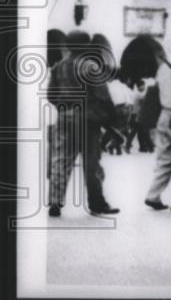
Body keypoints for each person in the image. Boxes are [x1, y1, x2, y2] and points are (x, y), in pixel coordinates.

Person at [47, 30, 118, 217]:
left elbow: (51, 96)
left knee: (61, 160)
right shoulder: (90, 66)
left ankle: (55, 200)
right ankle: (97, 202)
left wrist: (64, 108)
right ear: (87, 46)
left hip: (64, 118)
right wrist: (111, 120)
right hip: (87, 121)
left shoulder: (58, 67)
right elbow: (103, 97)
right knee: (91, 163)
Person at [142, 37, 171, 212]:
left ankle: (153, 194)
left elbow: (154, 93)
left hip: (165, 113)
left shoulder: (164, 67)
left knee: (165, 157)